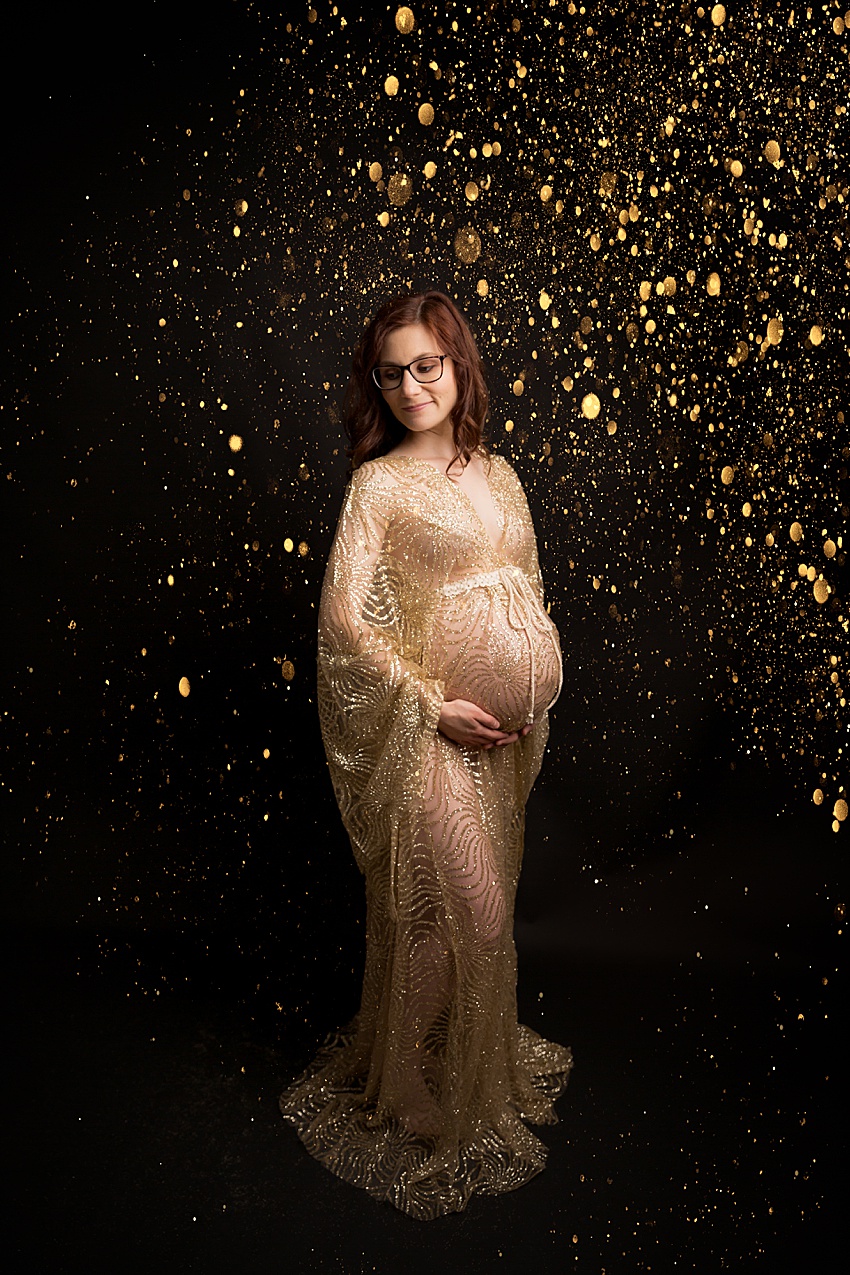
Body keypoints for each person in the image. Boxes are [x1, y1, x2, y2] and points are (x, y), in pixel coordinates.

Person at [279, 291, 572, 1220]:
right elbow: (340, 621)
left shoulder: (501, 472)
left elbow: (523, 589)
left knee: (457, 917)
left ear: (458, 364)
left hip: (499, 739)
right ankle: (401, 1075)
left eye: (427, 365)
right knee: (472, 911)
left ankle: (419, 1049)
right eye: (393, 371)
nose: (411, 385)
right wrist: (428, 704)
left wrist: (529, 688)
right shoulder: (379, 487)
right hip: (430, 731)